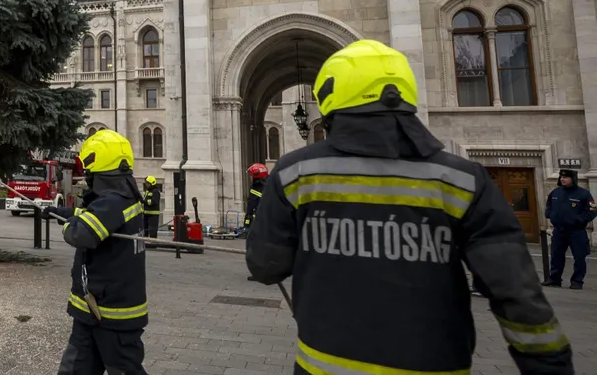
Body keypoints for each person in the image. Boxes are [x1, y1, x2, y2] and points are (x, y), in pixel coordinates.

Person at [246, 39, 573, 374]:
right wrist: (549, 362)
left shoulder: (295, 173)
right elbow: (514, 288)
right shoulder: (462, 179)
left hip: (325, 364)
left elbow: (265, 265)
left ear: (331, 96)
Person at [49, 129, 147, 375]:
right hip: (93, 311)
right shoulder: (124, 197)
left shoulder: (113, 201)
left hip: (111, 316)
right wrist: (65, 214)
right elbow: (96, 219)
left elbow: (81, 234)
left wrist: (70, 225)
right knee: (74, 369)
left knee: (123, 369)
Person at [542, 168, 594, 290]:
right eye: (561, 177)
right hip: (559, 230)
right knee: (556, 255)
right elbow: (549, 204)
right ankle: (554, 279)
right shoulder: (555, 192)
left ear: (573, 179)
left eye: (565, 177)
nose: (562, 179)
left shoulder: (584, 194)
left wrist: (579, 220)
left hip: (576, 231)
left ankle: (577, 281)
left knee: (579, 257)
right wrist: (549, 214)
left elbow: (592, 210)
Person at [242, 162, 267, 234]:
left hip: (257, 222)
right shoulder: (269, 184)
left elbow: (250, 208)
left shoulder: (255, 189)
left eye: (251, 175)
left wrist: (246, 225)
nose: (250, 177)